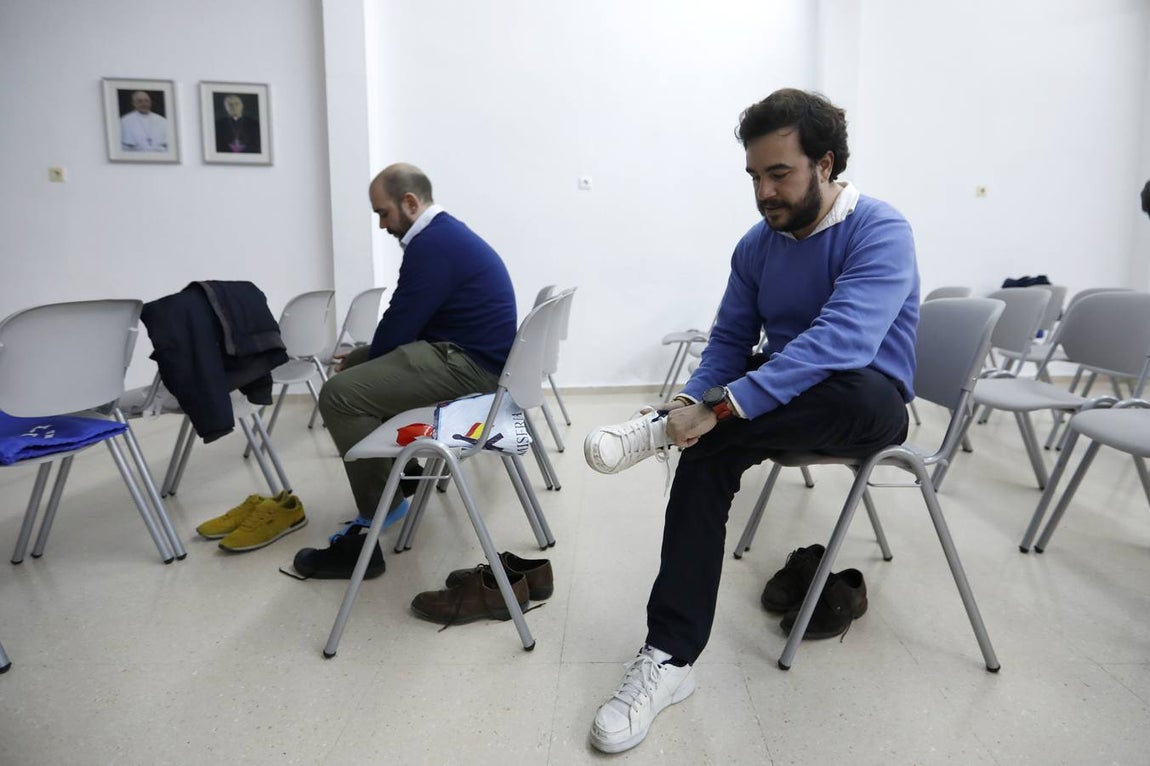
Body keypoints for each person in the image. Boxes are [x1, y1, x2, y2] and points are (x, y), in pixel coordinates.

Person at [582, 88, 919, 753]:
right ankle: (670, 658)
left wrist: (719, 407)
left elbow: (843, 342)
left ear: (825, 164)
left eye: (780, 173)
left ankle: (661, 430)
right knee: (707, 449)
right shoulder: (757, 246)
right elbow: (730, 341)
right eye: (755, 176)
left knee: (798, 397)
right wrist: (694, 401)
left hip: (866, 400)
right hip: (781, 400)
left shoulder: (880, 229)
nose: (765, 192)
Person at [287, 163, 519, 578]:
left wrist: (365, 363)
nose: (382, 225)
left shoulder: (432, 244)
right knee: (357, 364)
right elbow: (408, 323)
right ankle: (401, 474)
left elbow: (400, 322)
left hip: (469, 367)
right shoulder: (445, 235)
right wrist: (362, 360)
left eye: (384, 213)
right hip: (472, 358)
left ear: (410, 202)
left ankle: (381, 508)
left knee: (338, 394)